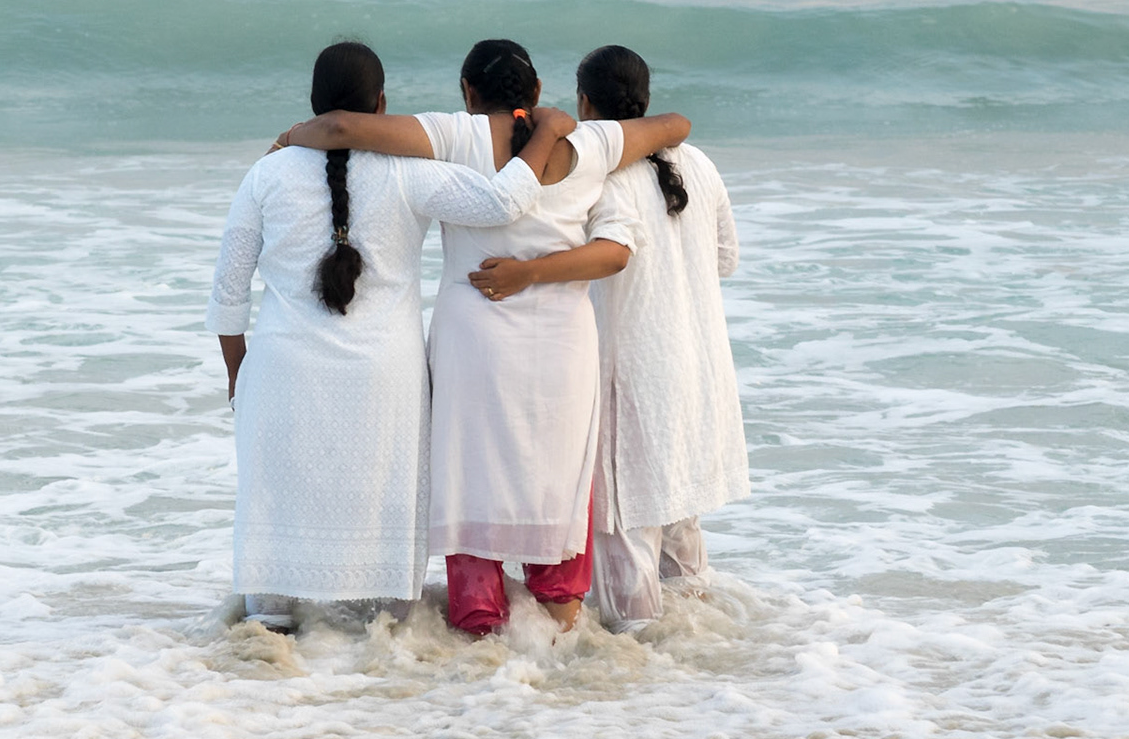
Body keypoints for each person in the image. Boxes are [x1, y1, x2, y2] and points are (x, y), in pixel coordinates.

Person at [279, 39, 689, 634]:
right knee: (559, 480)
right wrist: (558, 126)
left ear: (468, 93)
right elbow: (676, 124)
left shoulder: (457, 135)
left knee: (470, 477)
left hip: (473, 342)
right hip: (563, 346)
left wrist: (292, 139)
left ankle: (479, 626)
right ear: (539, 92)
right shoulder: (591, 142)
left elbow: (342, 125)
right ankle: (560, 621)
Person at [206, 41, 576, 631]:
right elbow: (507, 201)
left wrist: (237, 371)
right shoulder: (411, 174)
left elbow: (228, 291)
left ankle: (270, 632)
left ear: (313, 106)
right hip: (386, 377)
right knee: (385, 545)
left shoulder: (267, 173)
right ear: (381, 104)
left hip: (282, 371)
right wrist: (546, 133)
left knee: (274, 515)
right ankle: (386, 640)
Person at [480, 44, 747, 632]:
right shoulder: (699, 164)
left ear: (583, 102)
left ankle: (636, 661)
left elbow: (612, 258)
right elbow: (725, 258)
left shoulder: (604, 173)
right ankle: (700, 649)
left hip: (635, 367)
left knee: (625, 523)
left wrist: (528, 272)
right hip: (698, 364)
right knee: (680, 515)